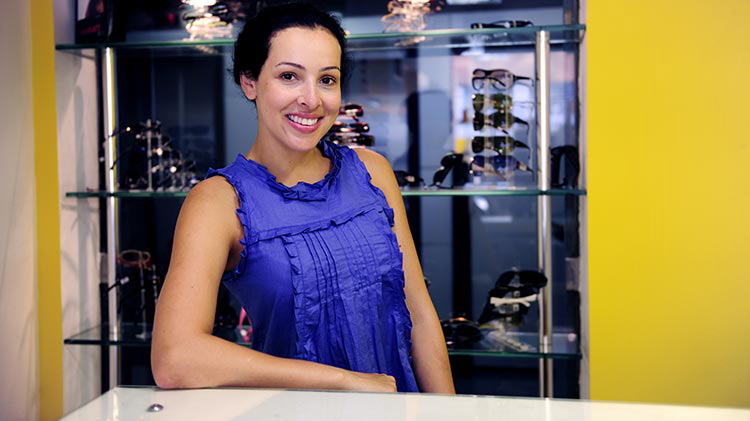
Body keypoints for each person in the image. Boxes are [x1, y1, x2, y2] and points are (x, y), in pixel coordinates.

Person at [151, 3, 455, 394]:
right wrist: (344, 381)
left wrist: (448, 410)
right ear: (249, 82)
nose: (311, 99)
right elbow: (174, 358)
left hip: (398, 408)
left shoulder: (372, 171)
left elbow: (419, 311)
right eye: (289, 76)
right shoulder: (217, 202)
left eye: (327, 80)